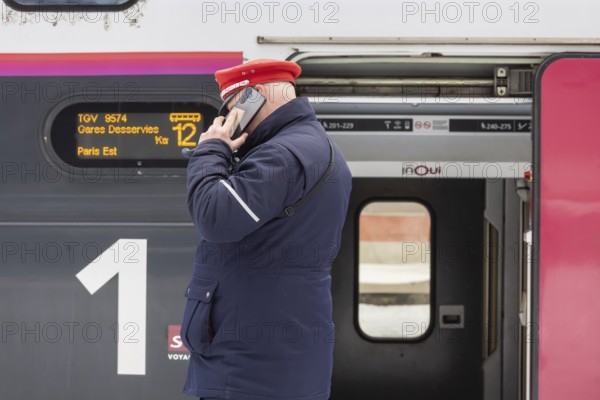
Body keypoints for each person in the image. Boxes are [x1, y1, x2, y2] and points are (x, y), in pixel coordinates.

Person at [180, 59, 352, 400]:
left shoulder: (280, 156)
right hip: (279, 357)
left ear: (254, 95)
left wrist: (210, 150)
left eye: (234, 110)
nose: (230, 121)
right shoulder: (322, 150)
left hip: (250, 363)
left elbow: (214, 216)